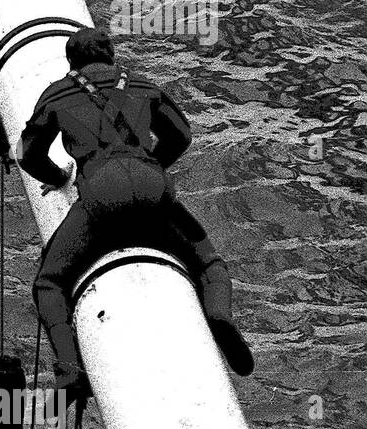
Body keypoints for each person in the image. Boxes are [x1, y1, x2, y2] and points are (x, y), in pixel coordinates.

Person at [18, 28, 253, 400]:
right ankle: (220, 315)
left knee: (50, 282)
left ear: (70, 61)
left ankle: (69, 371)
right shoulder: (143, 84)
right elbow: (181, 136)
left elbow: (27, 155)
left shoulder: (57, 94)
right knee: (207, 262)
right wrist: (150, 168)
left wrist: (59, 175)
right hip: (152, 186)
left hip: (100, 192)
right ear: (111, 55)